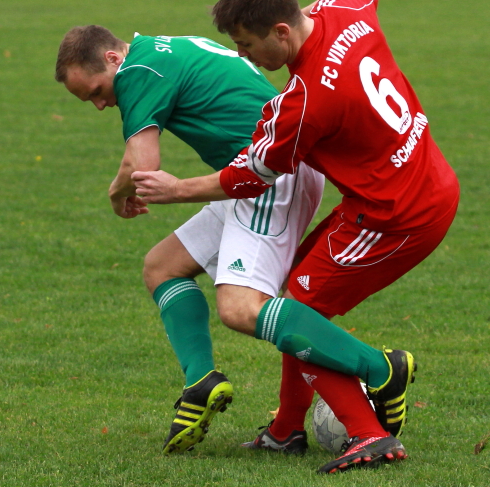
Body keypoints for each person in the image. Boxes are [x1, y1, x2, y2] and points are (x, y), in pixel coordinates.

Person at [132, 0, 460, 474]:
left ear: (281, 31)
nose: (245, 57)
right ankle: (285, 431)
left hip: (397, 215)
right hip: (415, 182)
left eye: (247, 44)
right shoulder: (346, 7)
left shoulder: (303, 102)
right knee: (295, 303)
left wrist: (176, 190)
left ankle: (373, 415)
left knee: (296, 311)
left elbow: (246, 177)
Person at [54, 25, 326, 457]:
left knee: (240, 309)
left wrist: (116, 194)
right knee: (161, 267)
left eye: (97, 92)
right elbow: (137, 158)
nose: (101, 105)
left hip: (271, 175)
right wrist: (121, 187)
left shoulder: (138, 71)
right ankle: (202, 381)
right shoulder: (159, 50)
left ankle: (377, 368)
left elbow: (143, 166)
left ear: (112, 59)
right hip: (245, 175)